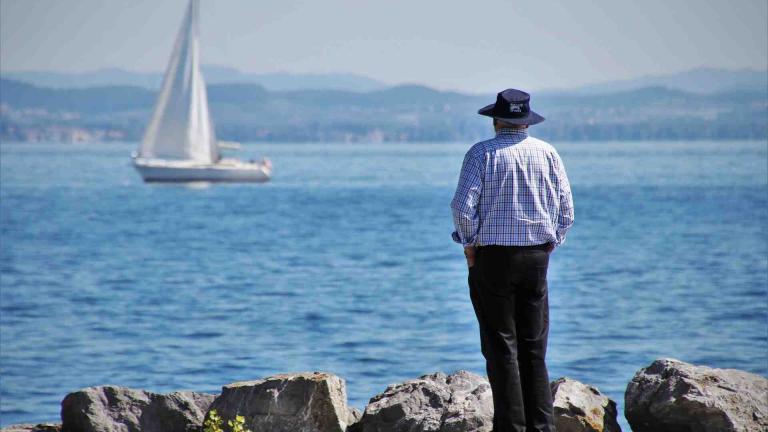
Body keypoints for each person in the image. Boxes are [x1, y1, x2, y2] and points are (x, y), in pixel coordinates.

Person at [450, 88, 574, 432]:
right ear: (526, 121)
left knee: (501, 347)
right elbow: (567, 211)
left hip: (493, 260)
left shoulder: (481, 154)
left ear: (496, 120)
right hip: (536, 258)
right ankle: (542, 427)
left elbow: (462, 208)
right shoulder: (548, 153)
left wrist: (470, 245)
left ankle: (511, 428)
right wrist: (551, 243)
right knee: (534, 350)